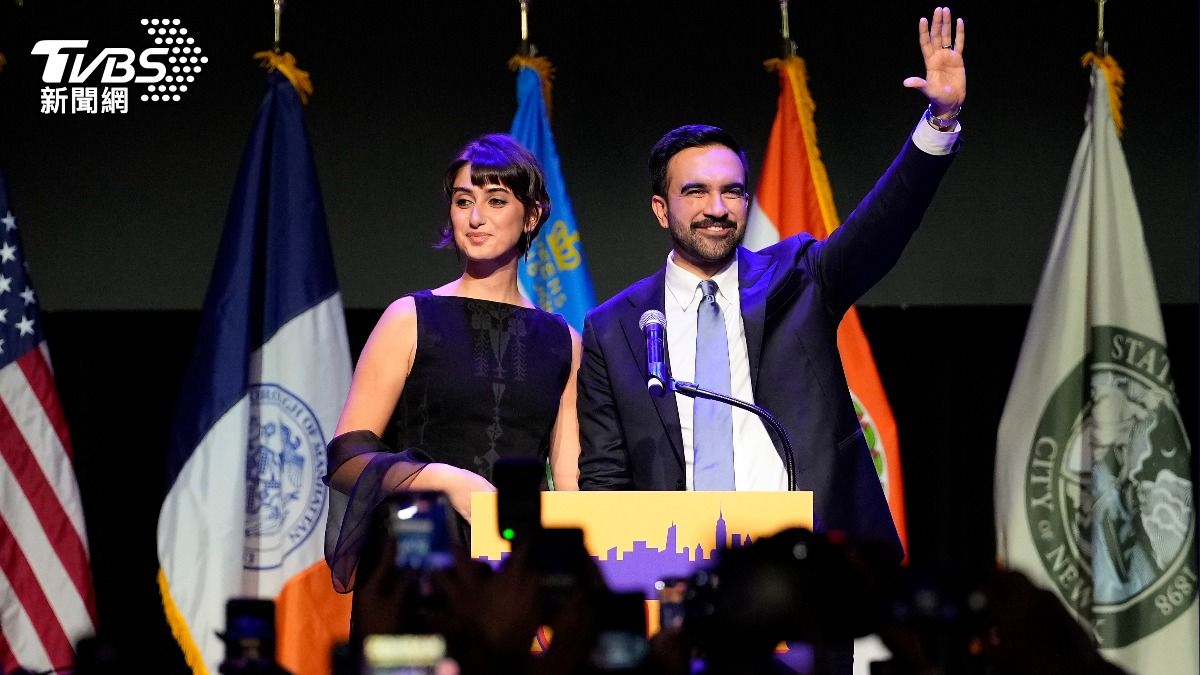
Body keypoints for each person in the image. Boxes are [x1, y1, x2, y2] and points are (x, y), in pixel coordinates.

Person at [576, 7, 966, 565]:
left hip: (809, 568)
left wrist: (939, 122)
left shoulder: (799, 277)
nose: (717, 208)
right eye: (696, 192)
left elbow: (882, 226)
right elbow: (605, 478)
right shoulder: (614, 328)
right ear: (661, 209)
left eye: (732, 191)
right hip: (679, 571)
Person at [324, 133, 582, 597]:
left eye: (496, 201)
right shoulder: (409, 318)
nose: (475, 217)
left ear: (532, 216)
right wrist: (446, 480)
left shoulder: (564, 341)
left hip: (512, 570)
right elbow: (347, 459)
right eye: (464, 201)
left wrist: (565, 587)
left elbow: (568, 483)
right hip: (417, 564)